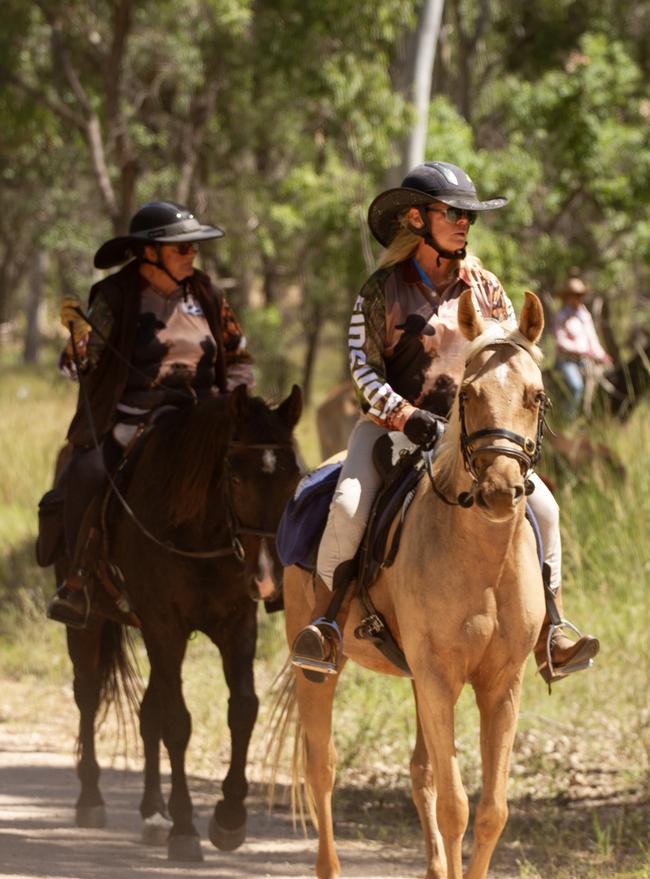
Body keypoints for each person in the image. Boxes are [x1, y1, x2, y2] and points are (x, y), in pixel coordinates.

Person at [290, 161, 599, 685]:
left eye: (468, 216)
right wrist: (406, 416)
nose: (463, 223)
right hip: (391, 429)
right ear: (417, 218)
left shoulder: (486, 286)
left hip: (473, 437)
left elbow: (507, 357)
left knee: (545, 508)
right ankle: (326, 625)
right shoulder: (381, 288)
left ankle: (553, 631)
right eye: (453, 213)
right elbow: (361, 368)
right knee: (346, 507)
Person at [47, 200, 254, 628]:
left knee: (269, 468)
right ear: (149, 253)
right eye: (182, 249)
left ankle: (267, 573)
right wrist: (78, 339)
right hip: (132, 422)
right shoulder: (115, 295)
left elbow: (239, 358)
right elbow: (75, 368)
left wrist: (233, 402)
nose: (191, 255)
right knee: (85, 473)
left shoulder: (207, 294)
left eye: (194, 248)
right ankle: (79, 580)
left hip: (203, 425)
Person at [553, 276, 612, 416]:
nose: (578, 298)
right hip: (566, 361)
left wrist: (602, 355)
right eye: (575, 295)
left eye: (580, 295)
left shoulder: (585, 315)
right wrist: (583, 350)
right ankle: (568, 418)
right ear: (567, 297)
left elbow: (592, 338)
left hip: (584, 360)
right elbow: (561, 342)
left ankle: (589, 415)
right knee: (576, 387)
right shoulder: (561, 316)